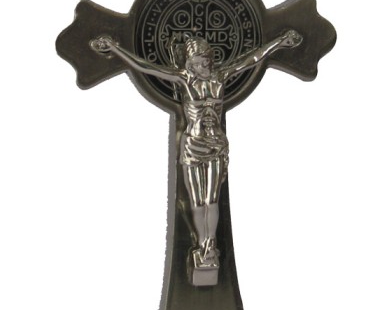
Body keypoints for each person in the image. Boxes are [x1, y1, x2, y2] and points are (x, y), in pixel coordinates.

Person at [90, 29, 303, 279]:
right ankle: (201, 245)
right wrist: (115, 49)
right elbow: (145, 67)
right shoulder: (184, 80)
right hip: (193, 145)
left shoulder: (220, 78)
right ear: (190, 63)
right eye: (199, 62)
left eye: (207, 61)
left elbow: (252, 59)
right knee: (197, 201)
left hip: (215, 144)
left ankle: (209, 246)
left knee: (212, 199)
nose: (204, 66)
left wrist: (279, 41)